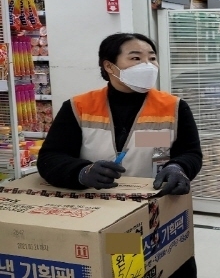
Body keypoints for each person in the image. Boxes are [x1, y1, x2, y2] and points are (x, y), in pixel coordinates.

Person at [37, 33, 202, 278]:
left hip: (162, 211)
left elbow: (190, 152)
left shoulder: (174, 107)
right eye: (135, 58)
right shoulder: (79, 107)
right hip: (108, 217)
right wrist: (82, 172)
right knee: (128, 272)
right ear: (109, 66)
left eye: (152, 58)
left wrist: (179, 167)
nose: (147, 65)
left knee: (172, 267)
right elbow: (51, 157)